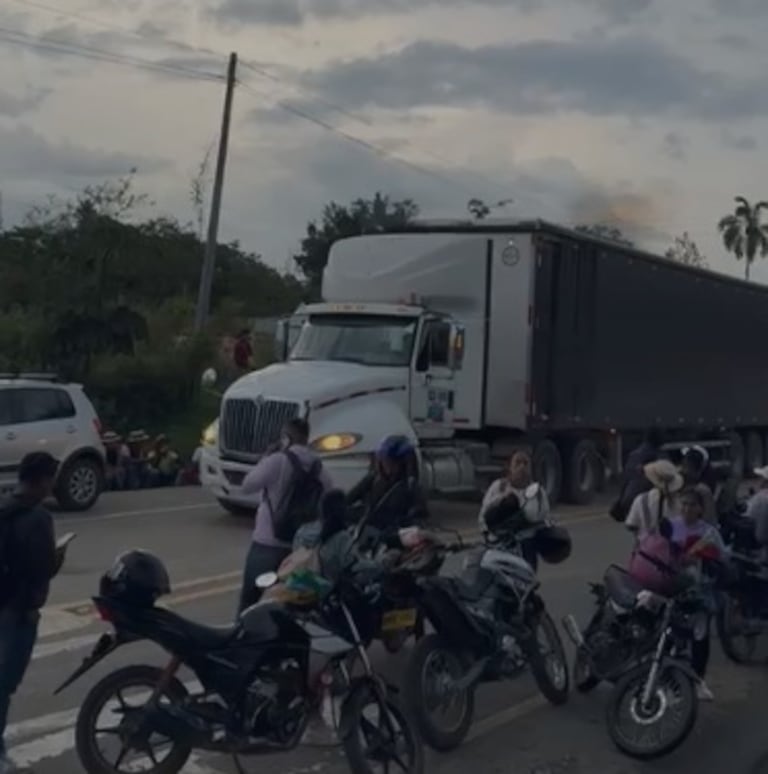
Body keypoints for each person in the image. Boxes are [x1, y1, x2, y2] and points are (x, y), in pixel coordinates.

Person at [0, 452, 61, 773]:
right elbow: (43, 567)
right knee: (3, 685)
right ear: (41, 480)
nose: (53, 486)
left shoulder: (5, 507)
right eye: (51, 478)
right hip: (19, 611)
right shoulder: (38, 519)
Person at [238, 418, 333, 613]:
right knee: (293, 603)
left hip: (267, 543)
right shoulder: (318, 467)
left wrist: (267, 456)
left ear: (286, 438)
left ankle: (242, 640)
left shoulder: (277, 461)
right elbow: (329, 493)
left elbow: (247, 485)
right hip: (299, 549)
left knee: (250, 601)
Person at [668, 487, 726, 701]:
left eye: (692, 505)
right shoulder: (670, 527)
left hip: (700, 592)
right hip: (671, 588)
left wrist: (706, 558)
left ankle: (698, 680)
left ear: (700, 509)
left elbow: (723, 558)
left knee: (699, 637)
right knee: (671, 636)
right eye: (683, 503)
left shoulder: (708, 532)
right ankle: (670, 682)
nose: (687, 508)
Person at [478, 447, 551, 570]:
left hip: (526, 548)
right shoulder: (498, 487)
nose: (522, 467)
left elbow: (545, 518)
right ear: (509, 467)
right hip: (500, 547)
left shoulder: (538, 492)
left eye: (526, 463)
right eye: (518, 462)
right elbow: (483, 517)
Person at [346, 435, 429, 539]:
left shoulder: (411, 488)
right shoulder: (373, 479)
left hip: (392, 539)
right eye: (384, 461)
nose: (387, 466)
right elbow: (349, 498)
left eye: (391, 462)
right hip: (368, 533)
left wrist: (403, 523)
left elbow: (420, 518)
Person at [609, 429, 665, 522]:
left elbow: (625, 480)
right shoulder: (656, 456)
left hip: (628, 499)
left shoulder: (633, 455)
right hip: (644, 501)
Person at [624, 459, 683, 540]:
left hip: (648, 548)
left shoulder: (642, 499)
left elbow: (631, 525)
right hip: (675, 546)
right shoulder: (681, 501)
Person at [680, 445, 718, 525]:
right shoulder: (681, 481)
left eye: (687, 466)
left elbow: (708, 520)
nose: (684, 470)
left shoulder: (704, 490)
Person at [745, 465, 768, 547]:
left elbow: (747, 517)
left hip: (759, 542)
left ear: (765, 480)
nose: (758, 480)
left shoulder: (760, 497)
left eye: (760, 477)